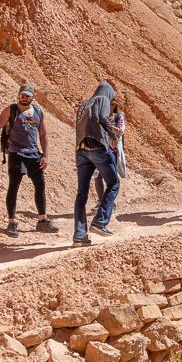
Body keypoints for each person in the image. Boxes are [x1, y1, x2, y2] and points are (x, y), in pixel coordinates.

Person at [0, 84, 59, 238]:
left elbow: (43, 133)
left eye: (27, 96)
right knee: (14, 187)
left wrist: (45, 155)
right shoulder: (11, 110)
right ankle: (12, 222)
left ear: (32, 97)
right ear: (18, 96)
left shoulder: (38, 112)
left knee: (40, 186)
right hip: (16, 154)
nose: (24, 98)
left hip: (34, 155)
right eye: (22, 96)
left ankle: (42, 221)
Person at [73, 82, 120, 246]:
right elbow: (103, 118)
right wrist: (113, 136)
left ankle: (79, 235)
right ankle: (100, 222)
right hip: (97, 147)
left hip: (81, 151)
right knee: (113, 183)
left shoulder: (84, 105)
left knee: (81, 194)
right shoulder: (103, 99)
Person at [92, 100, 127, 208]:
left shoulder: (118, 117)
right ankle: (101, 201)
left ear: (113, 105)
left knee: (110, 177)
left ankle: (111, 203)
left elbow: (121, 131)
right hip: (100, 150)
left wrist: (107, 127)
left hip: (113, 151)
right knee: (97, 176)